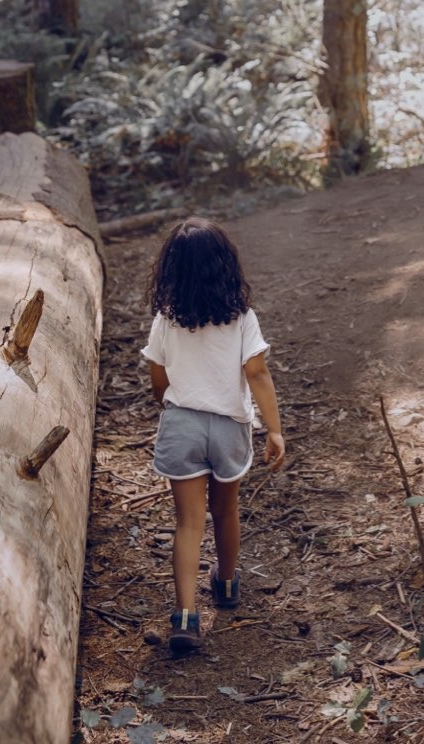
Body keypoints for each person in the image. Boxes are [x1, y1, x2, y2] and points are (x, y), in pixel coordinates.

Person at [141, 217, 285, 653]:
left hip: (182, 424)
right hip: (229, 427)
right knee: (225, 511)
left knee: (188, 523)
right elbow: (257, 372)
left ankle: (185, 616)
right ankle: (225, 584)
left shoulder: (166, 319)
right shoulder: (241, 318)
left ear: (173, 270)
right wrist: (274, 430)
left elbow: (158, 380)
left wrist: (178, 400)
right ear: (225, 265)